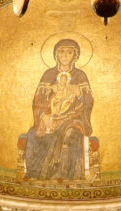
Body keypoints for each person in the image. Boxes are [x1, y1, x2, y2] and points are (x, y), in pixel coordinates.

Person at [23, 38, 94, 180]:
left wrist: (79, 94)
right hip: (50, 118)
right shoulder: (48, 75)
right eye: (61, 52)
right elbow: (37, 100)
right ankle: (35, 174)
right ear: (56, 55)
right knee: (33, 135)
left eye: (69, 52)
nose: (65, 56)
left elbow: (89, 102)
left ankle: (63, 174)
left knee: (70, 134)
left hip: (73, 119)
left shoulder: (80, 76)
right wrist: (43, 116)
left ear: (75, 55)